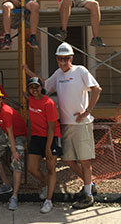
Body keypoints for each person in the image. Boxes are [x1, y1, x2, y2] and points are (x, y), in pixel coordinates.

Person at [24, 42, 102, 209]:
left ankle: (88, 194)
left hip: (81, 124)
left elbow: (97, 89)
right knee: (68, 159)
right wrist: (28, 72)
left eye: (66, 59)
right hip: (64, 125)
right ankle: (90, 186)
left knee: (84, 160)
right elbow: (44, 85)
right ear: (57, 59)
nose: (63, 62)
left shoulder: (80, 71)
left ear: (71, 58)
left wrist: (87, 111)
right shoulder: (58, 74)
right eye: (60, 59)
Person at [25, 77, 61, 214]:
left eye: (37, 86)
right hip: (37, 136)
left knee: (51, 168)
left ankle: (49, 200)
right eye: (31, 87)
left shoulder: (49, 103)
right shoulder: (30, 100)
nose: (34, 89)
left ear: (41, 87)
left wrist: (47, 148)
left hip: (51, 136)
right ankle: (47, 185)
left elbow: (51, 127)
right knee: (32, 168)